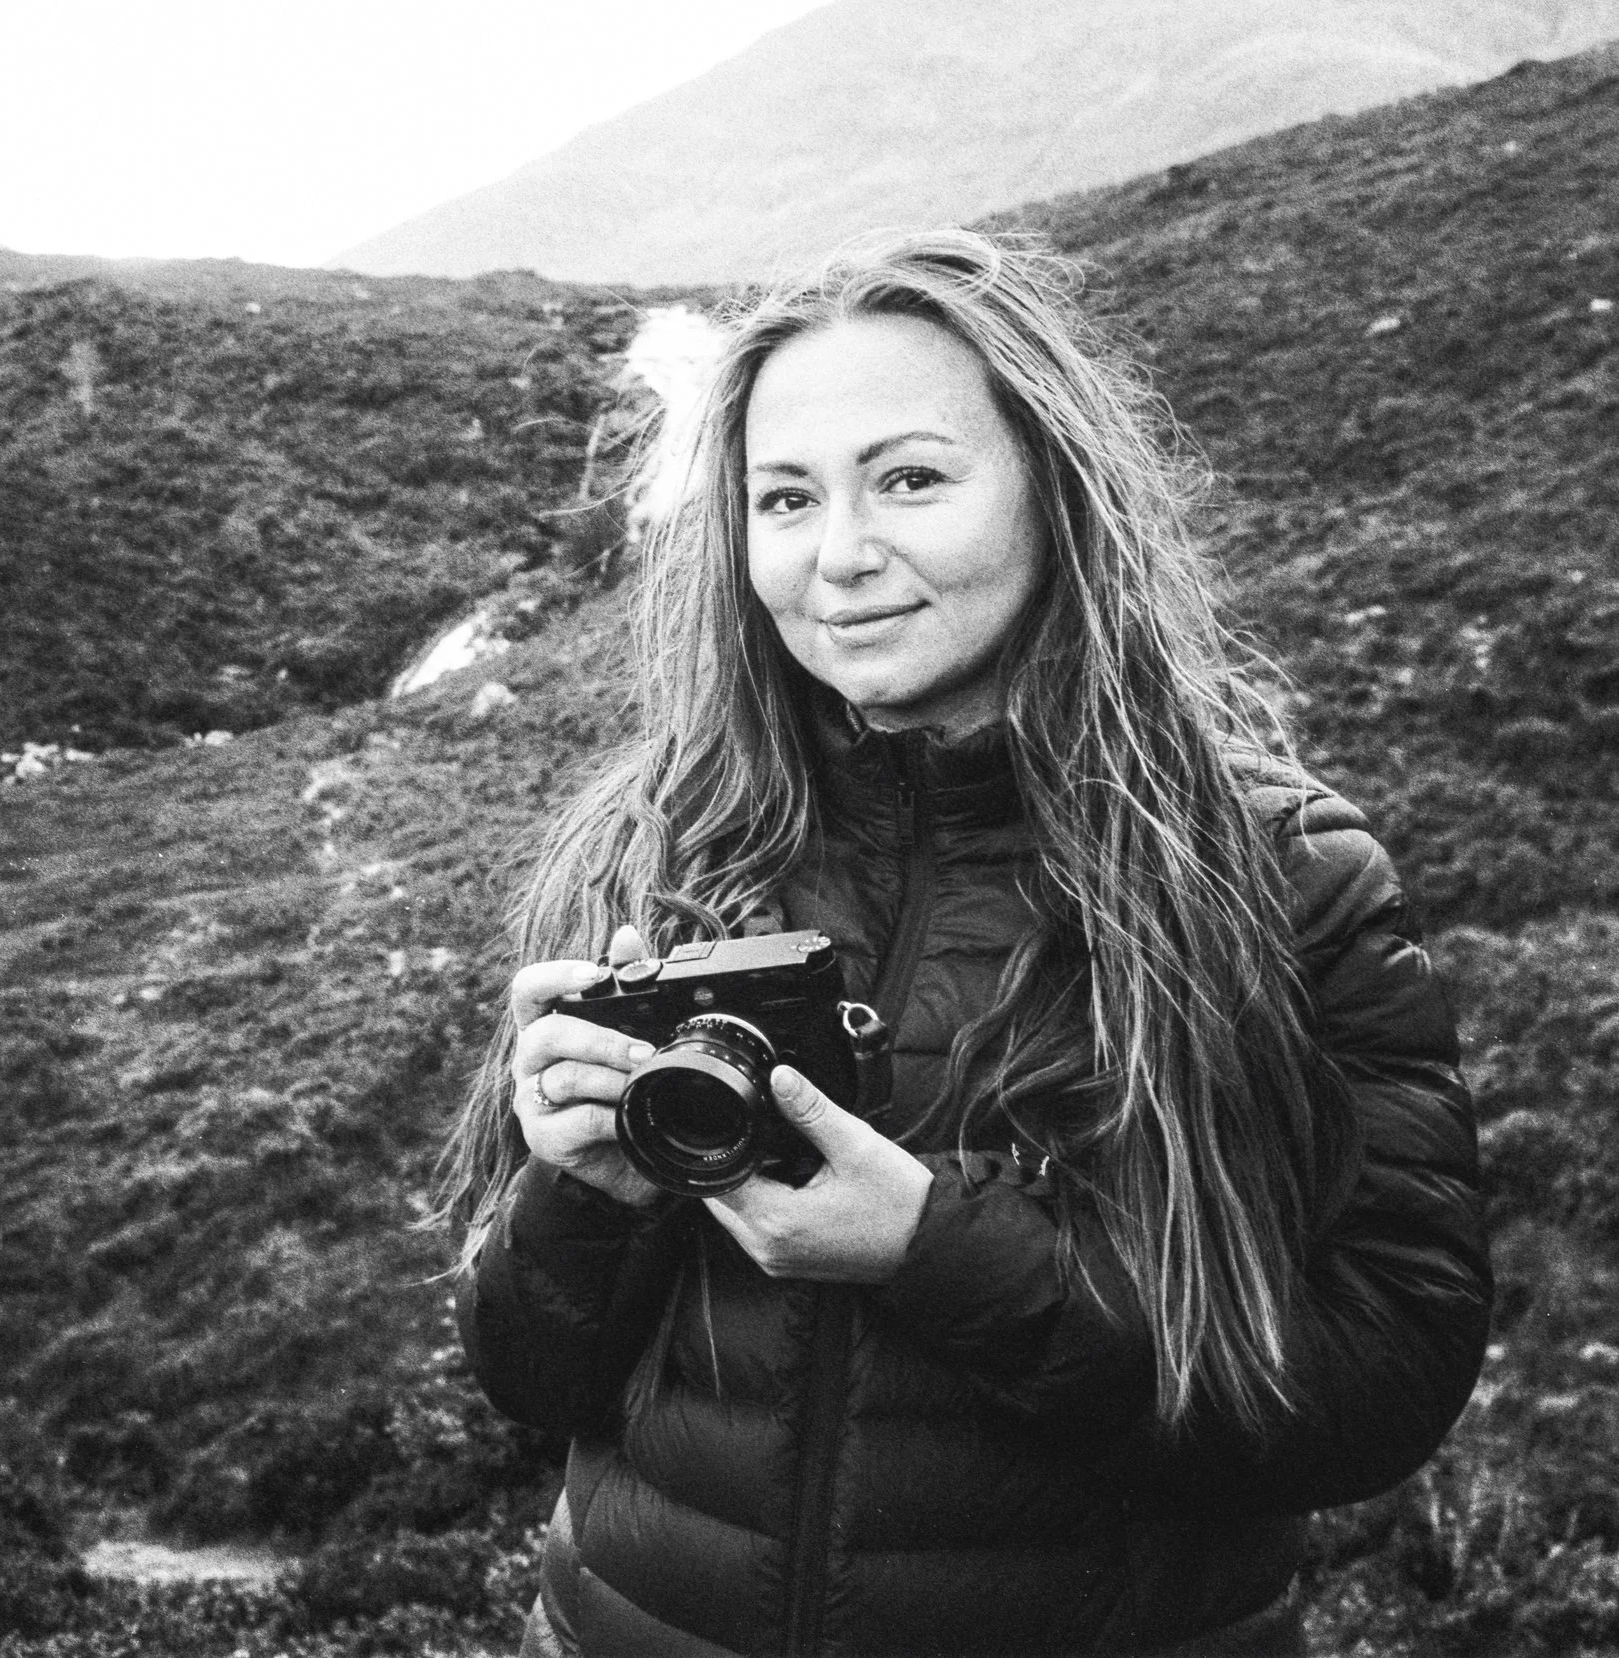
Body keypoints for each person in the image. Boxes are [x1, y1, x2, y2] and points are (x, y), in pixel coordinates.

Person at [434, 228, 1489, 1657]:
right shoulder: (653, 844)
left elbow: (1385, 1379)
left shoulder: (1279, 874)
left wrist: (932, 1246)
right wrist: (584, 1194)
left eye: (911, 478)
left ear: (1053, 489)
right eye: (786, 497)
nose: (843, 556)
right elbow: (530, 1368)